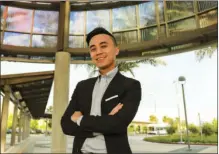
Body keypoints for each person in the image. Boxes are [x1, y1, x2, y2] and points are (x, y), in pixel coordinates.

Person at [61, 27, 141, 154]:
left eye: (103, 46)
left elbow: (118, 124)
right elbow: (66, 125)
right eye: (93, 49)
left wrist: (80, 119)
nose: (98, 52)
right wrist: (105, 121)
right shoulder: (82, 86)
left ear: (116, 50)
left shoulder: (131, 85)